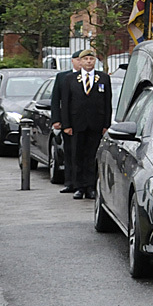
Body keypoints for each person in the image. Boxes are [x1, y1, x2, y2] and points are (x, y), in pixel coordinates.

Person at [60, 48, 112, 200]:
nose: (89, 62)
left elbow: (107, 102)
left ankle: (90, 186)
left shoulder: (103, 78)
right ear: (80, 62)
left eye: (91, 59)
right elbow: (66, 103)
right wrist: (66, 124)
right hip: (77, 124)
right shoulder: (70, 79)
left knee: (92, 156)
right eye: (86, 59)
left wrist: (106, 124)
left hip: (95, 124)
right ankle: (78, 186)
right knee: (77, 155)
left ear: (95, 61)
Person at [50, 51, 82, 193]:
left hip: (86, 122)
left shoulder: (95, 77)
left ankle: (84, 183)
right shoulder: (62, 77)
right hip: (68, 121)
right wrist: (56, 119)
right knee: (69, 152)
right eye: (79, 59)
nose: (82, 62)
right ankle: (70, 182)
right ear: (73, 61)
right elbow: (56, 100)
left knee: (84, 153)